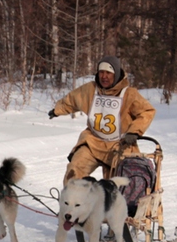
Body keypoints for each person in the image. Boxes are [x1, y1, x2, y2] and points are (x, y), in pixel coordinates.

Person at [49, 56, 155, 185]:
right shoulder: (90, 90)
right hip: (93, 141)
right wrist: (57, 110)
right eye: (101, 72)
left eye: (108, 73)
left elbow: (146, 111)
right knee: (74, 170)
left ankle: (115, 203)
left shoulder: (129, 94)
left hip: (119, 145)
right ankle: (73, 203)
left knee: (119, 183)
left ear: (115, 74)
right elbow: (72, 100)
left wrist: (134, 132)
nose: (104, 76)